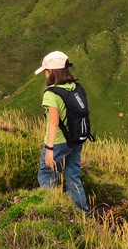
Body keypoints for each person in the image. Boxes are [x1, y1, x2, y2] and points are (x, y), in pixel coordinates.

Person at [35, 50, 89, 213]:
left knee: (46, 173)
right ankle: (82, 213)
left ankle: (50, 210)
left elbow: (54, 122)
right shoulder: (74, 87)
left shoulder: (51, 93)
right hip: (76, 139)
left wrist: (50, 149)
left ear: (51, 72)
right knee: (73, 176)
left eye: (45, 71)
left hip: (58, 141)